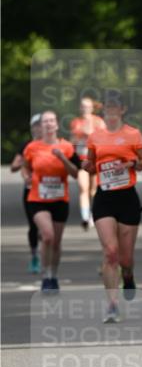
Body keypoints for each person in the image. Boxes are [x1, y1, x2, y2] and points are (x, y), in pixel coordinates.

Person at [84, 95, 142, 322]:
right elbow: (91, 165)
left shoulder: (133, 134)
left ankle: (129, 276)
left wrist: (132, 163)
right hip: (105, 198)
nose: (111, 112)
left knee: (126, 258)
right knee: (110, 252)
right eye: (108, 108)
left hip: (127, 198)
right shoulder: (95, 136)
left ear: (122, 110)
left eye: (115, 108)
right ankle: (112, 305)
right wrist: (87, 165)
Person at [22, 110, 81, 292]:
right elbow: (25, 167)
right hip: (37, 199)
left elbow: (76, 172)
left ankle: (54, 275)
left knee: (56, 242)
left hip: (59, 200)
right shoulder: (32, 147)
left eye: (51, 121)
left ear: (56, 125)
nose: (48, 124)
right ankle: (45, 276)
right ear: (41, 126)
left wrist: (62, 158)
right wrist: (26, 177)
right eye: (45, 121)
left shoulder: (67, 147)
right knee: (47, 236)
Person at [10, 113, 43, 273]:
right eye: (36, 125)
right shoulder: (26, 145)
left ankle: (48, 252)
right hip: (31, 191)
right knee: (34, 226)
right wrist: (24, 160)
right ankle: (35, 255)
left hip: (51, 191)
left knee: (47, 228)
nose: (39, 128)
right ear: (32, 128)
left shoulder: (54, 145)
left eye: (42, 125)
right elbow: (13, 167)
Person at [69, 94, 106, 229]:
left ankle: (92, 215)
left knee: (93, 190)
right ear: (80, 108)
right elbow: (72, 143)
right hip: (81, 160)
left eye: (87, 107)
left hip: (95, 160)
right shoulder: (76, 122)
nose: (85, 109)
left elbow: (104, 140)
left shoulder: (99, 122)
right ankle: (84, 217)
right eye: (82, 106)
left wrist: (90, 135)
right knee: (83, 188)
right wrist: (79, 139)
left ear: (92, 108)